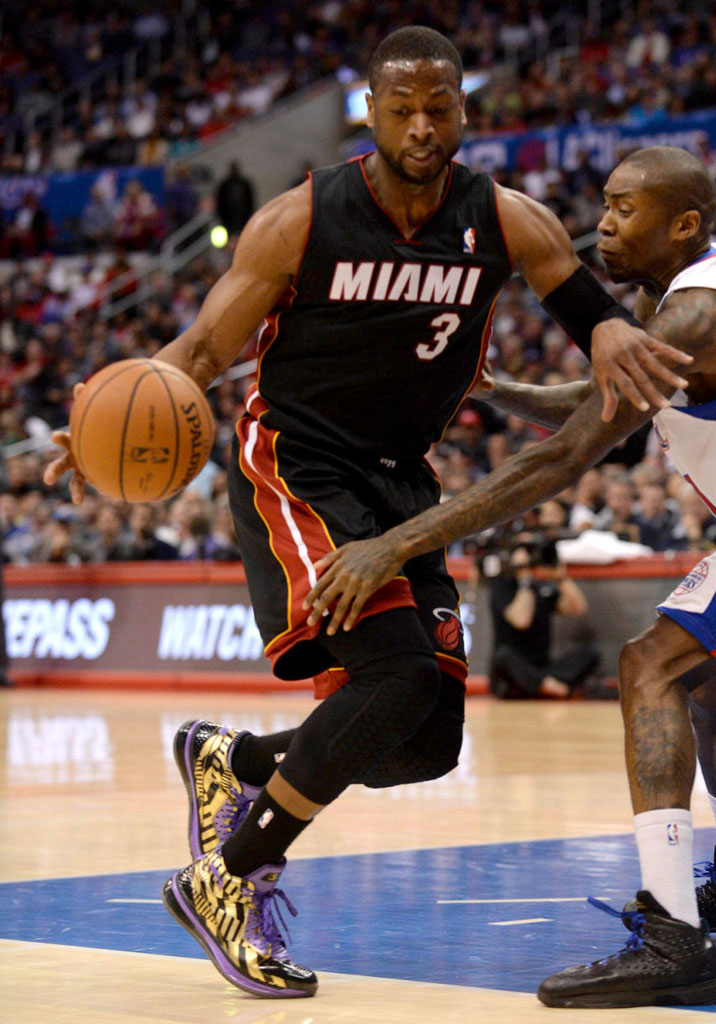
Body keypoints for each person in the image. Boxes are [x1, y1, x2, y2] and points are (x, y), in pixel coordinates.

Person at [43, 26, 688, 1002]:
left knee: (426, 739)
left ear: (464, 111)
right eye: (401, 108)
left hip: (399, 481)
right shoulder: (297, 222)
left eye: (439, 107)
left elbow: (584, 304)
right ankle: (232, 873)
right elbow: (206, 347)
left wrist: (603, 330)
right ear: (372, 114)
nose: (422, 126)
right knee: (388, 674)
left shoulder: (505, 219)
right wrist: (97, 421)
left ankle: (232, 761)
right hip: (296, 464)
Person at [303, 144, 716, 1008]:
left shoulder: (696, 316)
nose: (601, 222)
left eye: (626, 207)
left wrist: (392, 543)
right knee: (700, 681)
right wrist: (496, 388)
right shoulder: (667, 319)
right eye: (603, 201)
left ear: (684, 224)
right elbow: (588, 395)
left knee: (650, 666)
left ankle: (674, 934)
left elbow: (561, 461)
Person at [487, 536, 601, 699]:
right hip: (513, 671)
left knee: (589, 653)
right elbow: (521, 621)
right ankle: (556, 689)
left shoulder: (542, 588)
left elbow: (578, 609)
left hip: (542, 667)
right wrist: (524, 579)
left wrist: (560, 577)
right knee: (504, 657)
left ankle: (544, 686)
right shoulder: (502, 587)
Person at [214, 160, 255, 237]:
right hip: (229, 220)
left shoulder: (244, 184)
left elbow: (250, 201)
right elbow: (220, 202)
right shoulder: (225, 185)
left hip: (242, 218)